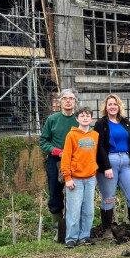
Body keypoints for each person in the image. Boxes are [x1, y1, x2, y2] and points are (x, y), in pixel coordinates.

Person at [95, 94, 130, 239]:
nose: (112, 107)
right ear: (105, 107)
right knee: (108, 197)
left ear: (119, 107)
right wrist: (106, 167)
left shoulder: (125, 122)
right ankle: (107, 229)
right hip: (109, 162)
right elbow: (99, 147)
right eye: (110, 104)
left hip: (126, 161)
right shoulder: (101, 124)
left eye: (115, 104)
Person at [39, 88, 79, 242]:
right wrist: (57, 151)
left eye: (71, 98)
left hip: (75, 163)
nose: (68, 101)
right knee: (55, 195)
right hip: (56, 162)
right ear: (60, 101)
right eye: (65, 98)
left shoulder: (79, 119)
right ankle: (59, 231)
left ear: (75, 102)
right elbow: (43, 141)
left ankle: (73, 229)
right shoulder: (52, 120)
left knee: (74, 196)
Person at [61, 106, 99, 248]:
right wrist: (67, 177)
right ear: (77, 118)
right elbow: (66, 157)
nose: (85, 117)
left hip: (90, 178)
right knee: (74, 209)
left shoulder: (95, 135)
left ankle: (85, 236)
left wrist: (94, 174)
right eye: (82, 115)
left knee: (88, 210)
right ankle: (71, 238)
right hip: (75, 178)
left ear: (91, 119)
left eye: (87, 115)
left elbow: (93, 157)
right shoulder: (72, 135)